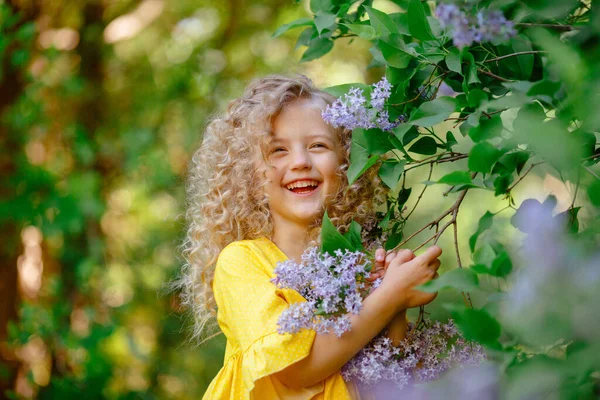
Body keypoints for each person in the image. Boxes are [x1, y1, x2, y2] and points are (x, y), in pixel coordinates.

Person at [179, 75, 442, 399]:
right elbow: (297, 368)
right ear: (248, 172)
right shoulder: (243, 262)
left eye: (317, 145)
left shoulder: (358, 265)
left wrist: (395, 308)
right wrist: (390, 296)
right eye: (277, 150)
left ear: (346, 162)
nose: (301, 162)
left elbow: (397, 385)